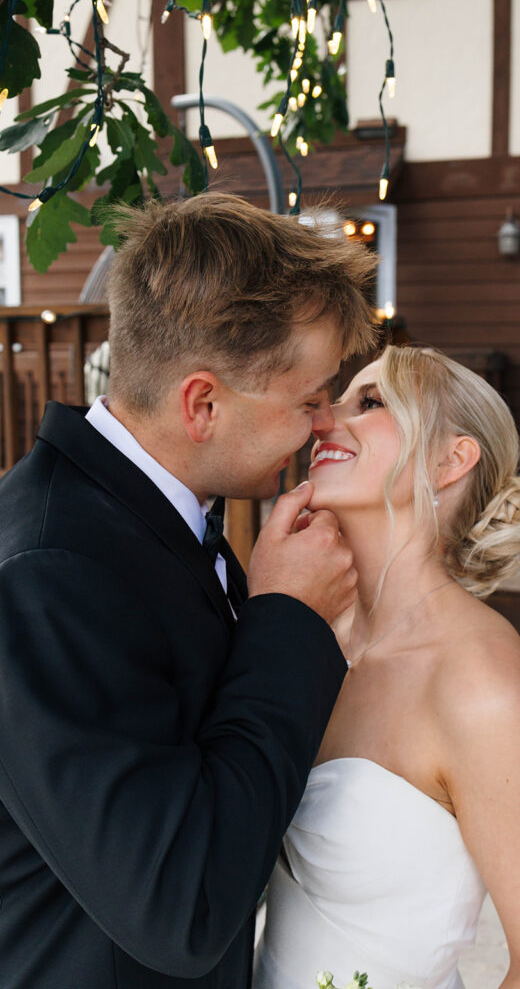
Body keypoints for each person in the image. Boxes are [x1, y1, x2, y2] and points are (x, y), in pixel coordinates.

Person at [0, 193, 378, 989]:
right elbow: (180, 909)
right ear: (201, 403)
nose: (323, 426)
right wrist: (285, 620)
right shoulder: (50, 572)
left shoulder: (154, 516)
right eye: (308, 399)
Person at [254, 345, 520, 989]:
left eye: (372, 402)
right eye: (339, 399)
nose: (325, 419)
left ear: (449, 460)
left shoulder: (482, 688)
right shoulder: (310, 633)